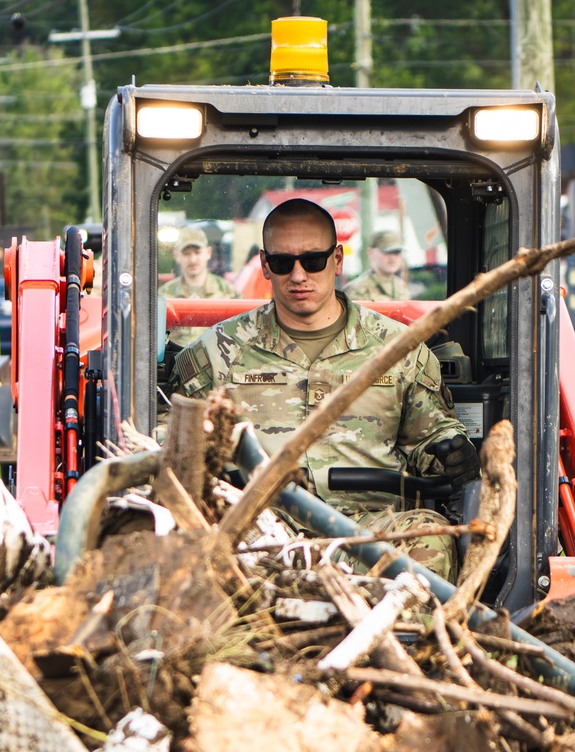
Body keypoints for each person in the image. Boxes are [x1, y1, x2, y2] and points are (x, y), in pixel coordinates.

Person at [171, 198, 476, 580]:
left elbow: (429, 436)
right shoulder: (217, 353)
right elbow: (176, 446)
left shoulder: (398, 348)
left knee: (432, 539)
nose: (298, 275)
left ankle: (411, 640)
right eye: (283, 263)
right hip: (256, 537)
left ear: (337, 259)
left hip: (371, 533)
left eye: (313, 260)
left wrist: (450, 449)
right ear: (265, 265)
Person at [162, 226, 237, 349]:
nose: (192, 259)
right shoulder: (164, 294)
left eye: (197, 252)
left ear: (208, 253)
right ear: (177, 256)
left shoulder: (229, 292)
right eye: (186, 254)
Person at [344, 229, 410, 301]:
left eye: (397, 252)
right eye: (387, 252)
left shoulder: (401, 287)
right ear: (371, 253)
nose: (393, 257)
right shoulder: (356, 289)